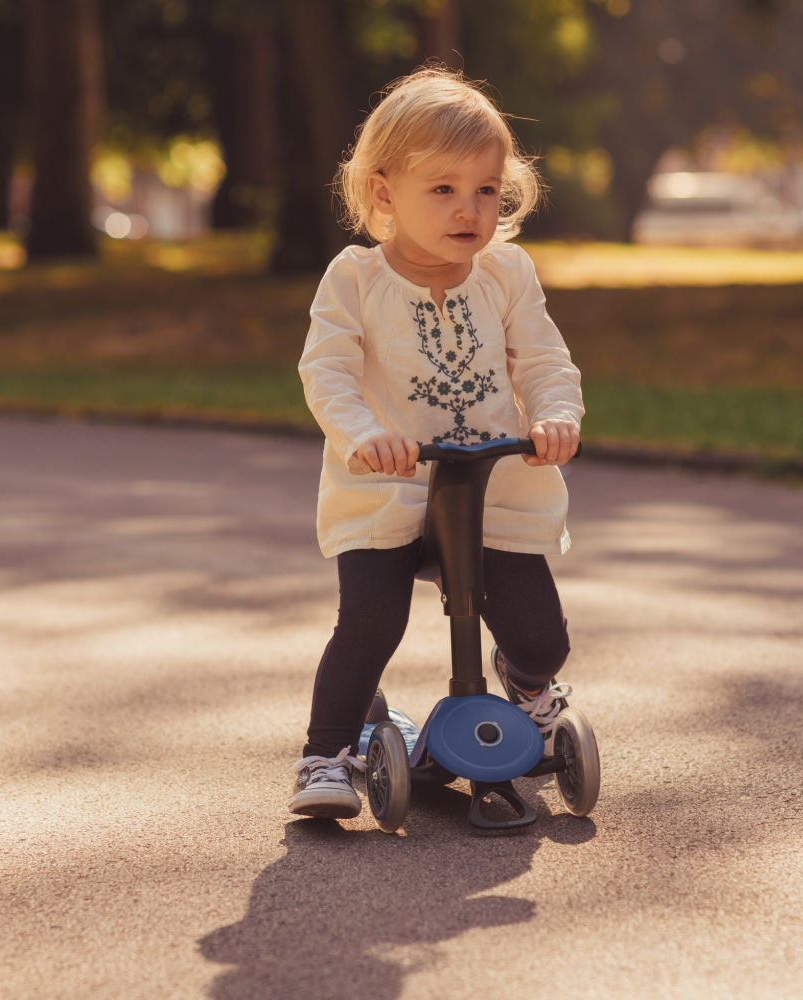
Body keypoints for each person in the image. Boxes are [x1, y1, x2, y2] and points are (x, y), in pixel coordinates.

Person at [290, 65, 584, 819]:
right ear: (384, 194)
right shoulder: (354, 279)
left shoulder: (506, 274)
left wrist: (554, 418)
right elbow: (326, 371)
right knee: (371, 618)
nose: (469, 208)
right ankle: (327, 753)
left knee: (542, 636)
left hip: (492, 487)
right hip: (388, 485)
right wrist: (364, 437)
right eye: (444, 189)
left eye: (485, 188)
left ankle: (527, 692)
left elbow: (545, 360)